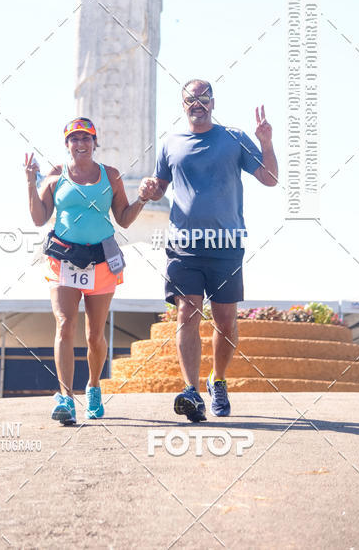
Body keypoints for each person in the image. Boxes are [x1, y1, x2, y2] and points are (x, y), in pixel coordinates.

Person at [140, 80, 278, 421]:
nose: (196, 103)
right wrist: (149, 188)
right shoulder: (170, 143)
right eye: (190, 99)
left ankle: (217, 379)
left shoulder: (233, 137)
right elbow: (159, 187)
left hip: (226, 245)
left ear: (213, 102)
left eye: (203, 98)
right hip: (183, 246)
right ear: (183, 104)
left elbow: (270, 178)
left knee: (226, 322)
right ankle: (191, 391)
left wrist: (266, 142)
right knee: (187, 314)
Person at [25, 117, 153, 425]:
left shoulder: (110, 175)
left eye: (86, 138)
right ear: (67, 144)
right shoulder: (56, 175)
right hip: (64, 260)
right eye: (74, 138)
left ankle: (94, 385)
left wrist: (142, 199)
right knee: (65, 325)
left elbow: (123, 218)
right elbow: (40, 218)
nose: (80, 143)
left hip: (101, 261)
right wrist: (30, 183)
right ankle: (65, 397)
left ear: (95, 143)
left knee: (95, 335)